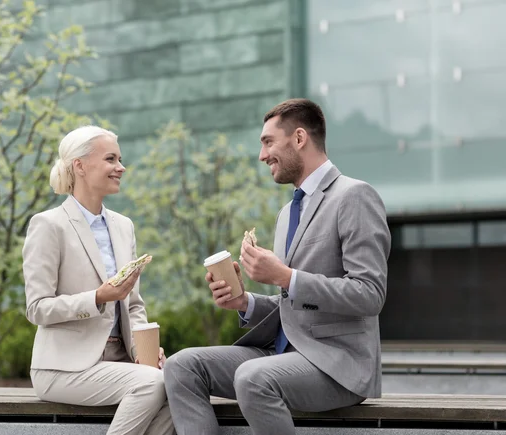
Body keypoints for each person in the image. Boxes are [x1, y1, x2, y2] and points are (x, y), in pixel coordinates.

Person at [163, 99, 391, 435]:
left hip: (337, 364)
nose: (261, 155)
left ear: (299, 138)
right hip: (282, 354)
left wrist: (285, 276)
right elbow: (294, 304)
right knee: (182, 365)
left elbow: (370, 295)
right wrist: (244, 302)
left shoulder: (354, 196)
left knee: (253, 377)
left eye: (268, 142)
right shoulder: (287, 213)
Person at [22, 125, 175, 435]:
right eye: (111, 159)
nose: (121, 167)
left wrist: (144, 351)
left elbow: (133, 305)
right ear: (79, 165)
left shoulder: (123, 226)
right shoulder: (49, 225)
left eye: (120, 159)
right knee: (152, 384)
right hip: (62, 368)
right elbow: (37, 308)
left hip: (120, 362)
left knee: (183, 384)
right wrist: (97, 298)